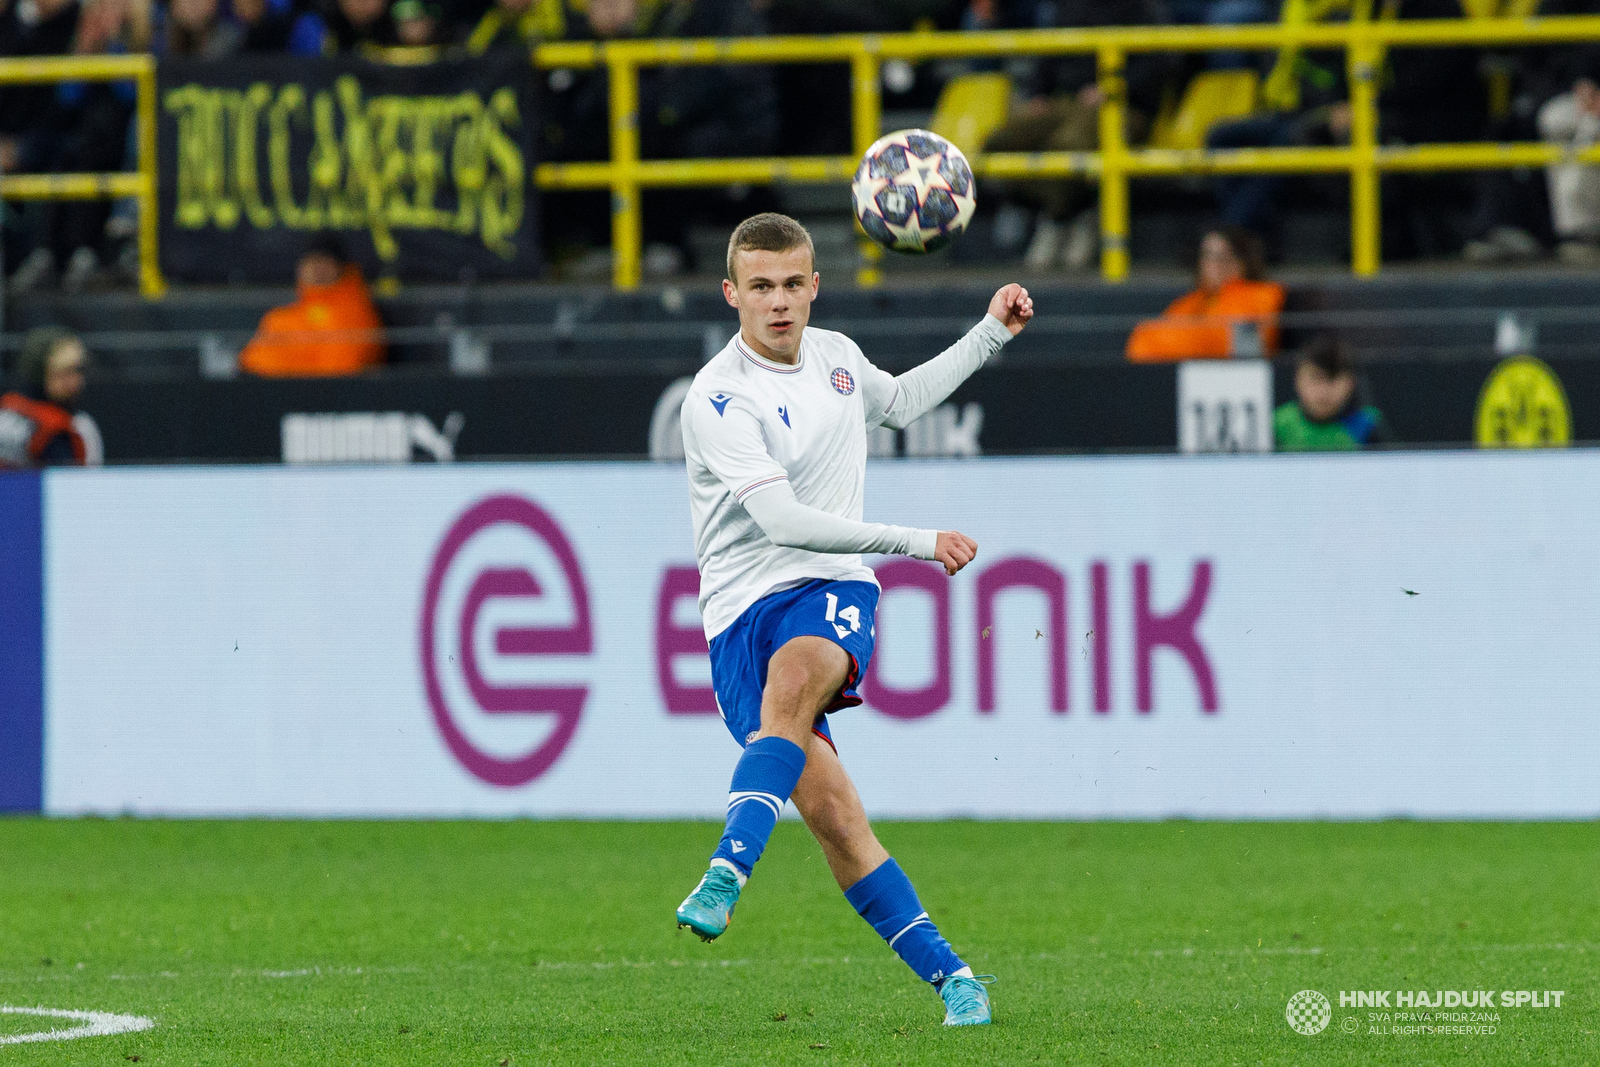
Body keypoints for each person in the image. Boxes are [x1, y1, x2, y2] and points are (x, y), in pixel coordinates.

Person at [673, 213, 1033, 1027]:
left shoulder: (835, 358)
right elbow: (784, 522)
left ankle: (728, 867)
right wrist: (917, 541)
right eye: (760, 287)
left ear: (814, 286)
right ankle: (956, 978)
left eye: (793, 284)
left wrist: (990, 333)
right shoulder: (719, 397)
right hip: (738, 614)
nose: (779, 302)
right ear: (732, 293)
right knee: (837, 821)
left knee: (799, 676)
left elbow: (900, 402)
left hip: (830, 583)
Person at [1125, 226, 1284, 362]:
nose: (1213, 265)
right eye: (1207, 256)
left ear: (1242, 261)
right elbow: (1146, 339)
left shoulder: (1263, 293)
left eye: (1222, 257)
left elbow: (1232, 342)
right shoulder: (1193, 301)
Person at [238, 234, 386, 377]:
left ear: (340, 268)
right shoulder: (280, 318)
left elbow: (339, 370)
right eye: (310, 261)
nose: (316, 268)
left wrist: (290, 365)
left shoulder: (355, 314)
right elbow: (253, 363)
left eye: (323, 261)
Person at [1274, 335, 1393, 451]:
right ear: (1298, 379)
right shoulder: (1277, 424)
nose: (1324, 390)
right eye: (1316, 378)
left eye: (1334, 379)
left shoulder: (1367, 424)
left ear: (1351, 382)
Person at [0, 326, 97, 467]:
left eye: (79, 370)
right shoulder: (56, 429)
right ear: (40, 373)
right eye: (64, 372)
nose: (75, 381)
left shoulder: (6, 407)